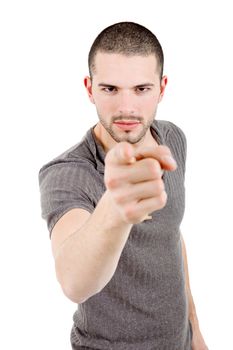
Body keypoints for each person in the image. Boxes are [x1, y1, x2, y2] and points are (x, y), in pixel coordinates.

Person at [39, 21, 208, 350]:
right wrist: (115, 208)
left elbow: (171, 235)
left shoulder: (173, 139)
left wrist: (195, 329)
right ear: (89, 88)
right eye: (110, 89)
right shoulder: (69, 172)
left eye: (142, 89)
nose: (126, 108)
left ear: (162, 87)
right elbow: (74, 281)